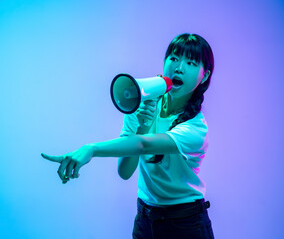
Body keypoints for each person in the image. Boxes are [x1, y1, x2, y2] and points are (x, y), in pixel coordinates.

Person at [42, 33, 215, 239]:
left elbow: (143, 146)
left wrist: (92, 149)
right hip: (144, 220)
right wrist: (143, 125)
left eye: (191, 62)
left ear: (204, 76)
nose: (179, 67)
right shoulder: (141, 102)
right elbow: (125, 171)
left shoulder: (196, 128)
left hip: (186, 224)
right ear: (164, 62)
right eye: (174, 58)